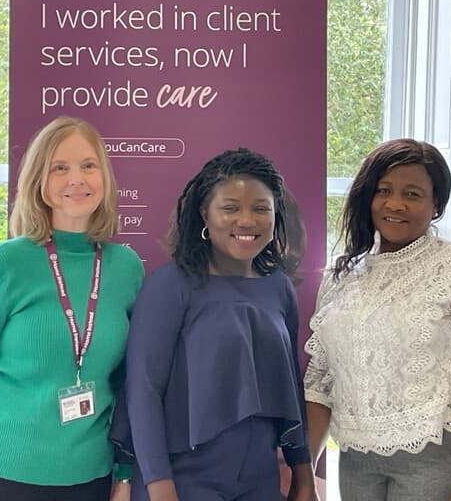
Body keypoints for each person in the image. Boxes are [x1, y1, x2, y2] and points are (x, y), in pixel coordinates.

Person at [0, 116, 144, 501]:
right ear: (39, 180)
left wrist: (123, 474)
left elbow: (128, 382)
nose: (76, 179)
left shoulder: (126, 268)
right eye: (60, 168)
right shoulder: (7, 263)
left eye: (88, 165)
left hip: (88, 477)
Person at [304, 138, 451, 501]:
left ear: (436, 205)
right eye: (384, 190)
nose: (395, 204)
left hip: (433, 461)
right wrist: (305, 471)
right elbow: (320, 381)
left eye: (412, 194)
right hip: (354, 461)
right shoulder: (341, 276)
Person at [114, 148, 316, 501]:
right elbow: (143, 391)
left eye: (261, 209)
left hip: (260, 480)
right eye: (230, 208)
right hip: (183, 479)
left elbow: (291, 389)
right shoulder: (171, 285)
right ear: (204, 213)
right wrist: (160, 487)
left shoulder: (279, 287)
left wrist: (304, 477)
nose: (246, 220)